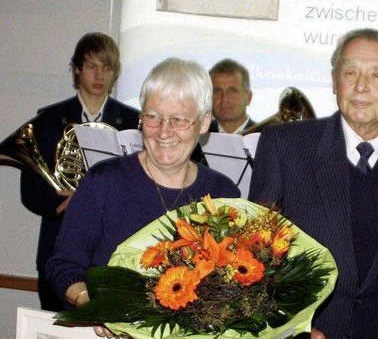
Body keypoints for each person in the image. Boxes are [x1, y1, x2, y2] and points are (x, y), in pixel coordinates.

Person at [249, 28, 378, 338]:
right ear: (334, 81)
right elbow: (254, 261)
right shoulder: (283, 147)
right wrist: (290, 329)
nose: (361, 86)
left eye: (376, 75)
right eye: (350, 72)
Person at [47, 57, 240, 335]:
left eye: (179, 119)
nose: (163, 131)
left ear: (204, 122)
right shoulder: (104, 182)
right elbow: (63, 266)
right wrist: (95, 307)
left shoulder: (223, 194)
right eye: (153, 116)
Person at [19, 32, 140, 312]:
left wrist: (91, 199)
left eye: (107, 67)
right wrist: (68, 202)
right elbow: (31, 190)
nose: (99, 75)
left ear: (115, 72)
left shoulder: (133, 121)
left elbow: (140, 183)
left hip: (114, 254)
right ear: (77, 68)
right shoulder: (48, 120)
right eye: (91, 66)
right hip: (58, 248)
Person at [208, 58, 256, 133]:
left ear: (249, 97)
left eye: (232, 91)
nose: (224, 98)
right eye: (217, 91)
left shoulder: (267, 137)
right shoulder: (196, 138)